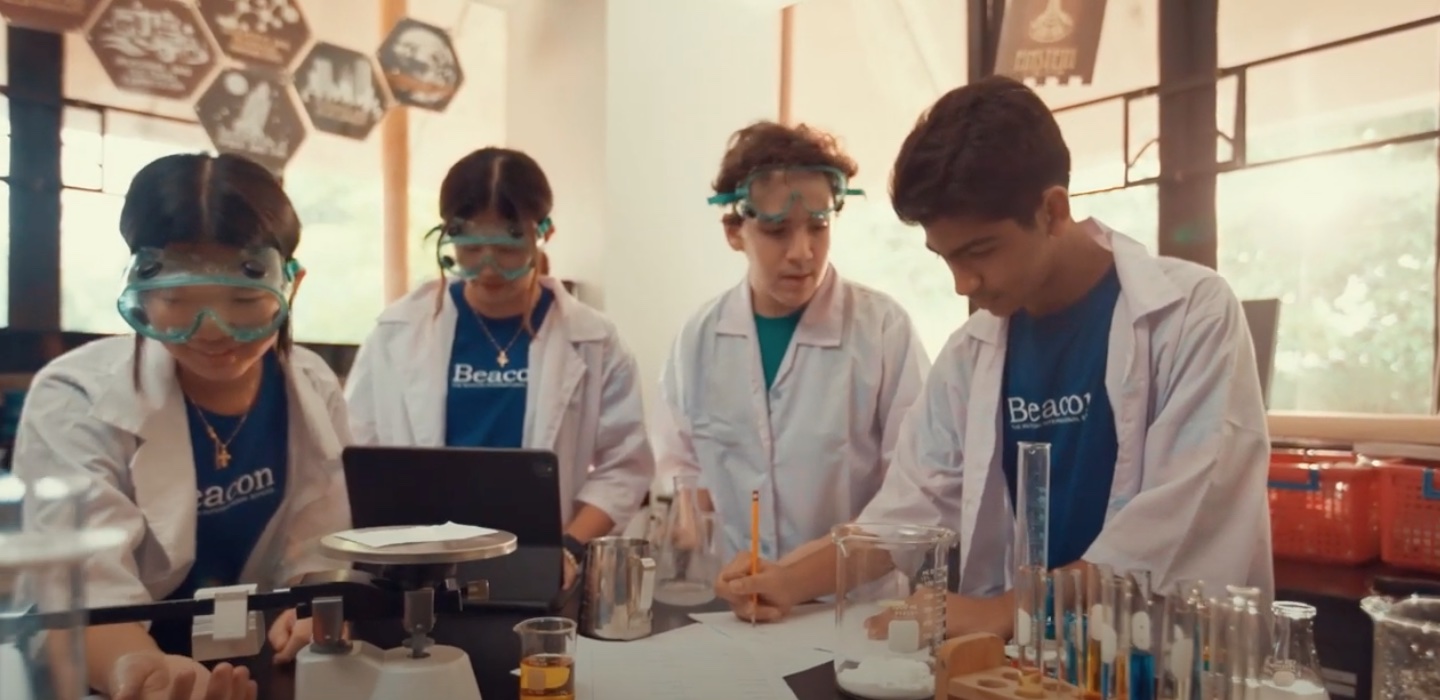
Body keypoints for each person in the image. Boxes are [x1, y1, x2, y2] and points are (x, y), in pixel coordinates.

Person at [713, 76, 1273, 636]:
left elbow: (1174, 529)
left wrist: (997, 613)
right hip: (1026, 669)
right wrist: (783, 579)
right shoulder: (971, 353)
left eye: (979, 251)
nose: (962, 283)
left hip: (1165, 659)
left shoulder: (1192, 315)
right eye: (945, 257)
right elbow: (905, 513)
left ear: (1053, 211)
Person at [12, 153, 353, 699]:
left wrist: (318, 614)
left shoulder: (313, 386)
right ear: (141, 290)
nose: (212, 330)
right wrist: (145, 673)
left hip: (259, 672)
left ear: (291, 285)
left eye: (243, 301)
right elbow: (79, 593)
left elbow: (324, 557)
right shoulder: (75, 398)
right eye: (178, 301)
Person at [345, 147, 655, 587]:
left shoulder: (593, 340)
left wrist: (566, 549)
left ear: (541, 234)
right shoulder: (397, 332)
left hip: (536, 565)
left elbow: (625, 467)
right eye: (470, 246)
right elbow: (358, 455)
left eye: (507, 248)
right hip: (417, 568)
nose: (487, 267)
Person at [653, 121, 930, 563]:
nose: (802, 251)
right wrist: (692, 535)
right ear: (734, 231)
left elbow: (914, 483)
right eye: (778, 230)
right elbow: (681, 467)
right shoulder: (699, 338)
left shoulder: (882, 330)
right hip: (731, 605)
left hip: (848, 605)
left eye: (817, 226)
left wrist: (806, 575)